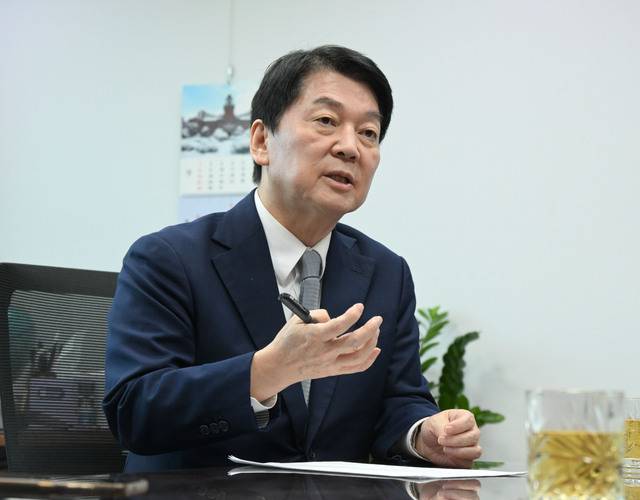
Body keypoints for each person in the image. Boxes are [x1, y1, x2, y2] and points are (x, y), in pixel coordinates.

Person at [103, 45, 482, 473]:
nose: (350, 147)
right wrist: (266, 372)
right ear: (261, 141)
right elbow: (134, 410)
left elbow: (399, 401)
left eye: (368, 133)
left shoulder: (386, 272)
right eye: (326, 121)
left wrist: (422, 434)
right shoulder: (168, 259)